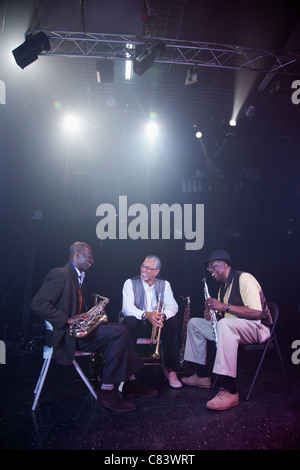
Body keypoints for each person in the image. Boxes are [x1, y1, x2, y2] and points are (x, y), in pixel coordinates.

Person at [31, 241, 158, 412]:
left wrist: (93, 314)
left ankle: (131, 382)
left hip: (78, 332)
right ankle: (107, 393)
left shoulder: (78, 278)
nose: (92, 261)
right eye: (89, 256)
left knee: (122, 330)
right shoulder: (59, 274)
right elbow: (38, 304)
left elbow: (78, 311)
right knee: (120, 333)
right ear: (77, 255)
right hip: (67, 336)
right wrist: (67, 319)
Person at [182, 250, 272, 410]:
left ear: (226, 265)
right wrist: (213, 315)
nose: (210, 270)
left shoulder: (244, 278)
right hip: (232, 327)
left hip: (257, 327)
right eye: (209, 268)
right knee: (195, 323)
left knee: (224, 326)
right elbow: (225, 315)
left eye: (213, 266)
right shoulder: (222, 288)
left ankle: (229, 390)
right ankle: (202, 376)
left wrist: (223, 306)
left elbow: (257, 312)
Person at [121, 255, 182, 388]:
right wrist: (145, 314)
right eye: (143, 266)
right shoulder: (130, 283)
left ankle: (171, 370)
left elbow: (173, 306)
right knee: (129, 322)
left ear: (157, 271)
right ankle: (128, 373)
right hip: (138, 323)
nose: (144, 270)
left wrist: (163, 316)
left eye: (149, 268)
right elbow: (126, 308)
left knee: (173, 323)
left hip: (158, 324)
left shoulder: (165, 284)